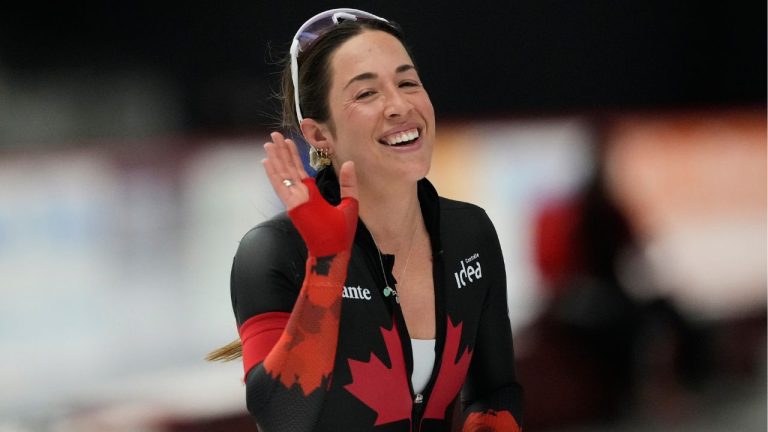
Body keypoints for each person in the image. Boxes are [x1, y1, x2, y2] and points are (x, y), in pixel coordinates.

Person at [208, 8, 523, 432]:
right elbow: (283, 418)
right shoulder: (275, 251)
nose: (399, 105)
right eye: (366, 93)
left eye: (408, 82)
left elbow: (494, 391)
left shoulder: (470, 235)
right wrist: (325, 267)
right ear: (319, 135)